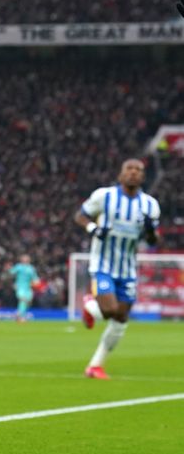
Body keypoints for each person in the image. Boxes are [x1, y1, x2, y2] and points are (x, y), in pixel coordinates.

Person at [74, 159, 160, 379]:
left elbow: (152, 241)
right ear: (121, 174)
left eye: (138, 170)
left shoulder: (150, 205)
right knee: (110, 310)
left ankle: (95, 366)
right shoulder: (105, 196)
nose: (133, 173)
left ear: (143, 177)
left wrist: (150, 231)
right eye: (129, 169)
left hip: (128, 268)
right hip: (103, 264)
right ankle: (89, 305)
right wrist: (93, 228)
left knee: (121, 318)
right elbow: (80, 215)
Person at [7, 254, 39, 323]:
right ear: (21, 260)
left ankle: (20, 315)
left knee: (27, 303)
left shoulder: (31, 268)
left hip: (28, 288)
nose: (25, 260)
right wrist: (9, 269)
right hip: (20, 287)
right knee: (23, 300)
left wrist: (35, 282)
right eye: (24, 258)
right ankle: (20, 317)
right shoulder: (19, 267)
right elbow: (11, 272)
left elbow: (35, 279)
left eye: (26, 258)